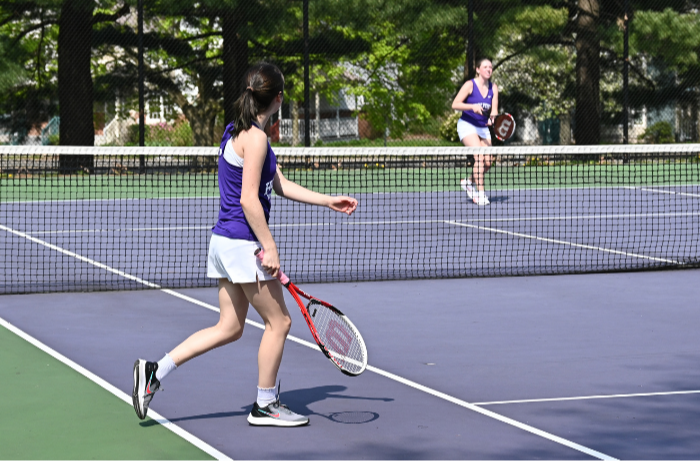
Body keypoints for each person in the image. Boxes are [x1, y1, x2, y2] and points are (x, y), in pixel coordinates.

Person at [132, 63, 358, 427]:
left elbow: (278, 183)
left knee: (229, 327)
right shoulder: (256, 139)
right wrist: (269, 247)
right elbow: (249, 201)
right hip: (243, 244)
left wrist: (327, 199)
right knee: (280, 323)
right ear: (278, 99)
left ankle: (155, 371)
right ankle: (265, 405)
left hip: (223, 243)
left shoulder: (238, 131)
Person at [451, 58, 499, 206]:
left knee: (488, 162)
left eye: (490, 67)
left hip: (482, 127)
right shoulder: (469, 85)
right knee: (478, 158)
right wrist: (472, 107)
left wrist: (492, 118)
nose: (489, 69)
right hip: (467, 125)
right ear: (478, 70)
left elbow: (494, 110)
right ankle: (481, 194)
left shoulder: (493, 88)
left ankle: (468, 182)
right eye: (485, 67)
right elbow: (455, 104)